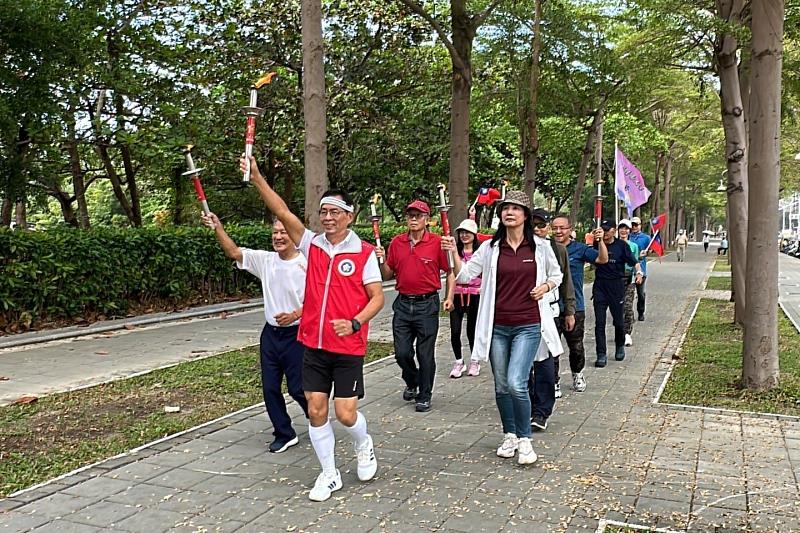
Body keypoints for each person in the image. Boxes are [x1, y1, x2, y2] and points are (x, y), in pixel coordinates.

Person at [240, 155, 385, 502]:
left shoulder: (364, 254)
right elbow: (283, 212)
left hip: (347, 346)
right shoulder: (312, 244)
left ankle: (363, 443)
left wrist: (354, 322)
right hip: (313, 346)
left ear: (349, 216)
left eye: (336, 212)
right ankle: (329, 473)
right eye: (324, 212)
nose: (329, 218)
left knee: (345, 414)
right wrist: (258, 176)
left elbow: (377, 298)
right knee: (316, 409)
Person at [441, 190, 563, 466]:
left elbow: (557, 274)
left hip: (529, 325)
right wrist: (452, 254)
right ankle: (509, 434)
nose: (509, 212)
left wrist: (544, 287)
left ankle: (525, 440)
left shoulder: (541, 248)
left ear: (526, 216)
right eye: (505, 209)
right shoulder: (490, 249)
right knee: (500, 386)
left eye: (515, 209)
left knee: (516, 382)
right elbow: (464, 275)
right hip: (497, 326)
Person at [201, 213, 309, 454]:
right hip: (271, 335)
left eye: (284, 232)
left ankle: (317, 419)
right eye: (275, 233)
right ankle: (284, 432)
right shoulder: (266, 260)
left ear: (294, 235)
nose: (279, 237)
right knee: (270, 387)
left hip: (298, 335)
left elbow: (320, 299)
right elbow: (234, 253)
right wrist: (218, 228)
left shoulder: (307, 264)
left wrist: (295, 314)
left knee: (297, 388)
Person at [375, 200, 454, 412]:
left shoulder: (437, 242)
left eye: (418, 216)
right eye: (410, 215)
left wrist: (449, 296)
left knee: (425, 354)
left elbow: (452, 271)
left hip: (426, 304)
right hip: (402, 304)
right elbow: (387, 275)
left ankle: (424, 394)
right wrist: (381, 260)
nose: (413, 219)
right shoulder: (397, 243)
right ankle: (412, 381)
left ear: (426, 219)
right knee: (402, 353)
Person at [528, 208, 575, 433]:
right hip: (522, 313)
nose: (538, 229)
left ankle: (542, 410)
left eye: (542, 225)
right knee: (523, 364)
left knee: (546, 362)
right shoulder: (518, 248)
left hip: (550, 312)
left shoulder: (557, 250)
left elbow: (565, 281)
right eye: (534, 224)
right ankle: (527, 405)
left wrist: (570, 310)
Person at [549, 215, 607, 392]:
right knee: (552, 349)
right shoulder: (546, 249)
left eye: (562, 228)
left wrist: (601, 241)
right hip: (551, 307)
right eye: (555, 228)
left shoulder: (580, 249)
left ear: (570, 229)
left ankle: (577, 373)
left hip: (575, 307)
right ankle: (554, 381)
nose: (559, 231)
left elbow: (602, 260)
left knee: (576, 347)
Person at [593, 219, 642, 367]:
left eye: (608, 230)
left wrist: (639, 272)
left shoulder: (622, 246)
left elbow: (634, 262)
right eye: (603, 230)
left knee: (618, 321)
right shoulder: (597, 243)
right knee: (599, 323)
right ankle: (601, 354)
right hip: (600, 285)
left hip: (616, 285)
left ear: (613, 231)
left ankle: (619, 345)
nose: (605, 233)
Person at [448, 218, 485, 378]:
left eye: (468, 232)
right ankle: (458, 361)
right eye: (461, 232)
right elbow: (450, 275)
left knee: (472, 331)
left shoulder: (481, 252)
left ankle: (475, 360)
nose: (464, 235)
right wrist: (448, 297)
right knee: (455, 331)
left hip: (475, 295)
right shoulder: (454, 252)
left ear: (474, 234)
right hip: (457, 295)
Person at [617, 219, 639, 347]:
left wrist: (638, 274)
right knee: (618, 308)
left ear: (629, 231)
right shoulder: (614, 244)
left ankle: (627, 333)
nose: (623, 231)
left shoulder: (633, 246)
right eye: (621, 228)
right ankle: (619, 331)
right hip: (615, 279)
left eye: (626, 228)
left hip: (629, 279)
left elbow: (635, 261)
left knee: (628, 306)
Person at [629, 217, 651, 321]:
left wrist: (647, 252)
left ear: (640, 225)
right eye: (632, 225)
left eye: (636, 225)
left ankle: (641, 311)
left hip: (641, 269)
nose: (634, 227)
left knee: (640, 294)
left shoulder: (646, 238)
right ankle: (628, 314)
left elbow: (650, 249)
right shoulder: (627, 236)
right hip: (628, 269)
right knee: (627, 294)